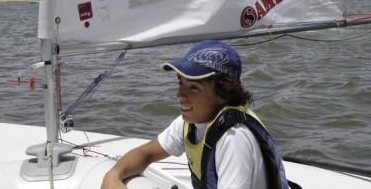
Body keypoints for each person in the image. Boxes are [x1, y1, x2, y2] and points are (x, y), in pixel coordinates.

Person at [101, 40, 289, 189]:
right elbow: (146, 153)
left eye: (193, 88)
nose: (180, 96)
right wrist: (114, 175)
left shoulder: (234, 139)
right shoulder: (190, 123)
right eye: (180, 83)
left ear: (224, 92)